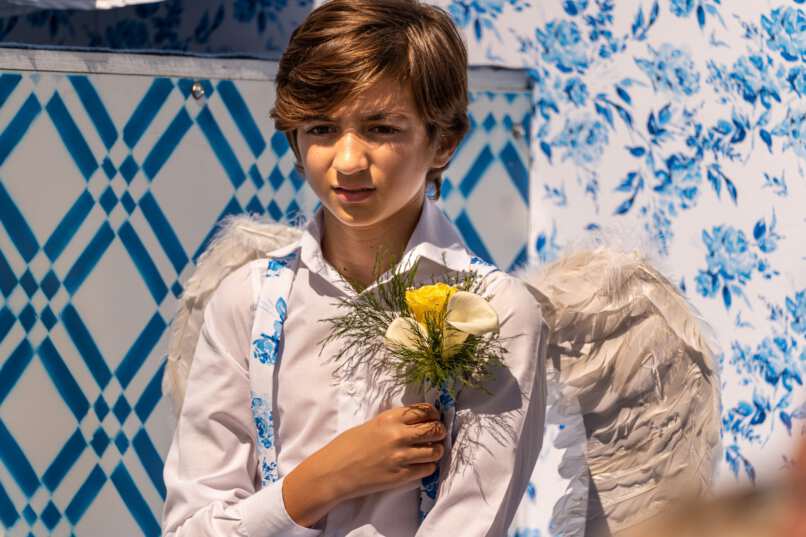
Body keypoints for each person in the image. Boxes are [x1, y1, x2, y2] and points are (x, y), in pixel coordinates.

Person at [159, 0, 548, 535]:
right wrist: (323, 480)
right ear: (294, 138)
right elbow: (190, 527)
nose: (347, 160)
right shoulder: (246, 303)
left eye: (381, 128)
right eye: (321, 127)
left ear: (443, 141)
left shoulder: (496, 314)